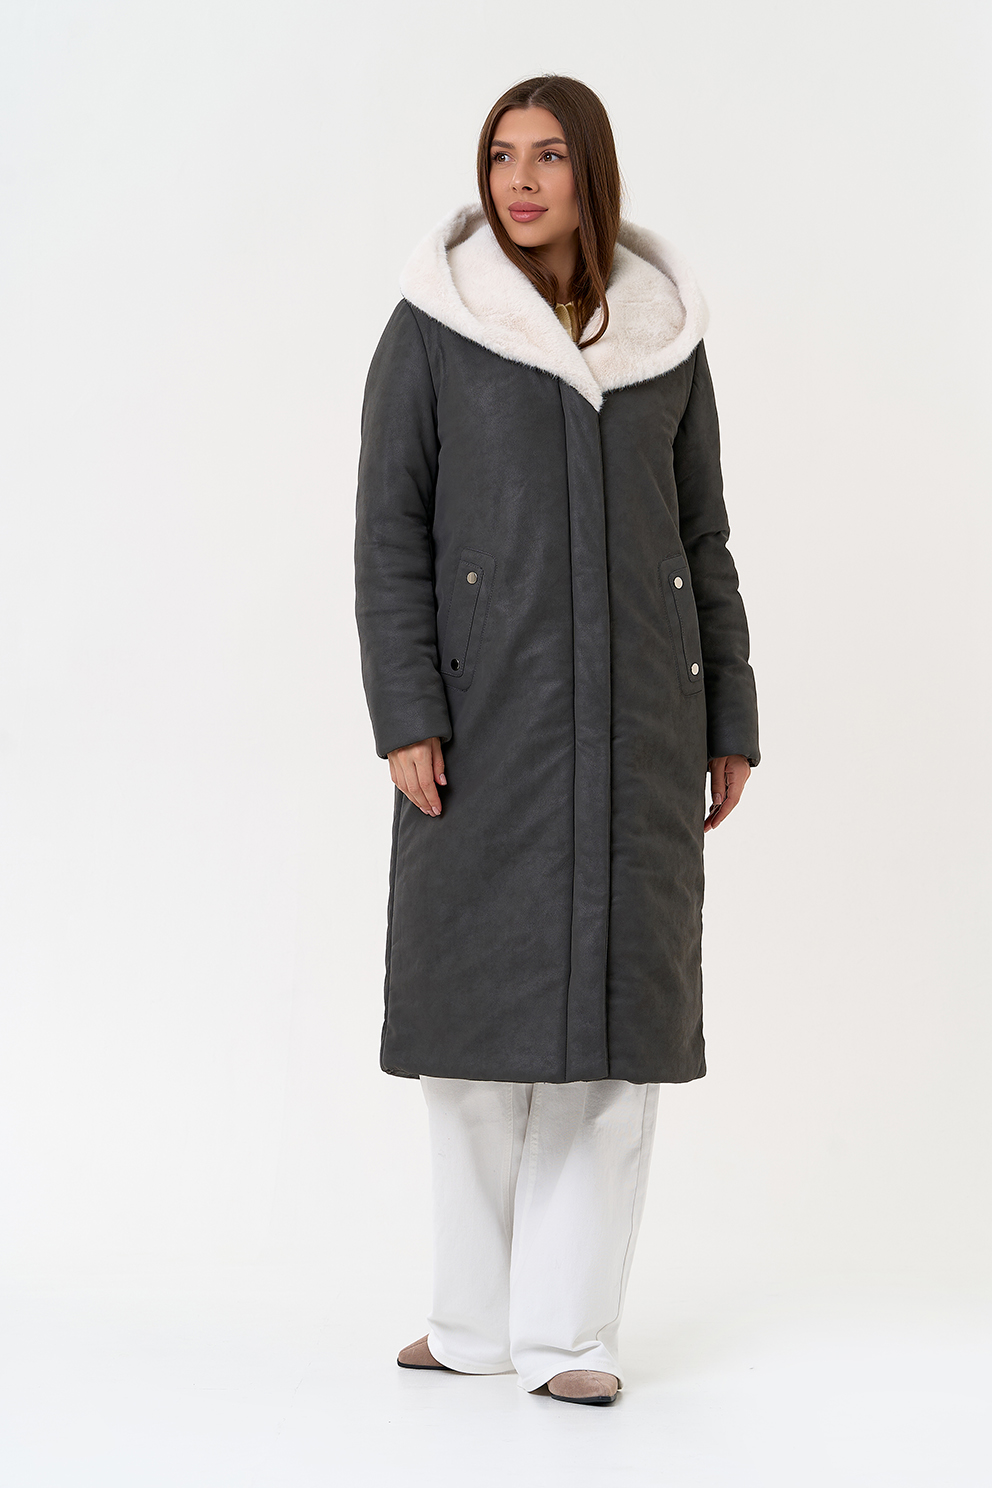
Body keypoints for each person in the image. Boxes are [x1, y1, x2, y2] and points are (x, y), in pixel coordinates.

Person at [353, 74, 759, 1407]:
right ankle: (470, 1324)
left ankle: (573, 1338)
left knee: (614, 1043)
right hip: (486, 729)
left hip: (644, 733)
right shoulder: (434, 326)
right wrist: (407, 711)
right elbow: (389, 535)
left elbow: (703, 537)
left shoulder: (665, 338)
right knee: (473, 1038)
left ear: (593, 173)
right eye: (500, 156)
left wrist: (730, 715)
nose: (520, 181)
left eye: (547, 156)